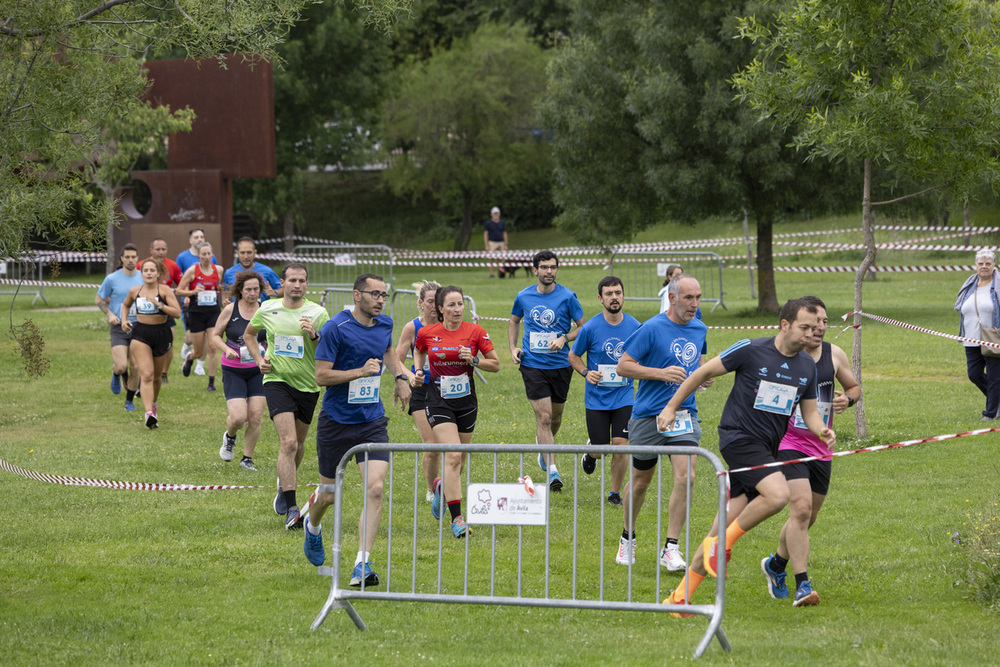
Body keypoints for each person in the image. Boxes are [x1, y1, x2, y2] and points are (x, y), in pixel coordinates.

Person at [659, 298, 834, 614]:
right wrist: (671, 406)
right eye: (805, 327)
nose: (812, 333)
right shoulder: (751, 350)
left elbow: (809, 412)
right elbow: (701, 374)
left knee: (717, 529)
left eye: (815, 327)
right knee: (778, 494)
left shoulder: (806, 365)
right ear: (785, 325)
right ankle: (723, 545)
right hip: (739, 439)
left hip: (766, 449)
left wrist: (822, 429)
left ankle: (679, 599)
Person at [303, 273, 413, 587]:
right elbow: (321, 376)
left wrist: (400, 377)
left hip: (371, 421)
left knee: (375, 489)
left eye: (383, 295)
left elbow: (389, 352)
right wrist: (359, 372)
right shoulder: (334, 329)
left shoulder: (385, 324)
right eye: (375, 294)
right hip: (336, 422)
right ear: (356, 295)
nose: (380, 299)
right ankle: (312, 527)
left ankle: (361, 564)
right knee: (328, 495)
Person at [761, 295, 860, 607]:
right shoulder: (784, 355)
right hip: (787, 443)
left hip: (821, 446)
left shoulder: (835, 355)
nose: (820, 328)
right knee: (800, 509)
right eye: (814, 323)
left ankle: (776, 564)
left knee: (808, 517)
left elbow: (854, 387)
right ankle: (803, 584)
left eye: (825, 322)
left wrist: (849, 400)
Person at [615, 274, 708, 571]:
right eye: (688, 298)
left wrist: (702, 378)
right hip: (647, 416)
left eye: (698, 298)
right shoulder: (652, 328)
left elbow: (697, 366)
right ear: (672, 298)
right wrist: (661, 373)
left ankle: (671, 547)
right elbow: (623, 366)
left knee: (687, 476)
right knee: (641, 482)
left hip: (683, 414)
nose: (694, 304)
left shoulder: (699, 328)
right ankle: (627, 537)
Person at [244, 263, 330, 530]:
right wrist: (259, 360)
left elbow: (330, 347)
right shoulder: (268, 308)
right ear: (282, 283)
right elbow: (249, 334)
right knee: (289, 442)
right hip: (277, 381)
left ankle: (284, 484)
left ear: (307, 284)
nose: (297, 284)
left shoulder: (318, 312)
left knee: (300, 443)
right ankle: (292, 506)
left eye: (302, 280)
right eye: (292, 280)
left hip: (308, 384)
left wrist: (314, 335)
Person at [413, 285, 501, 538]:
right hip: (438, 401)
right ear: (440, 309)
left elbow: (495, 364)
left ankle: (442, 488)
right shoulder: (428, 332)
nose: (457, 309)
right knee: (452, 457)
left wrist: (473, 360)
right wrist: (419, 371)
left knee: (459, 460)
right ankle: (457, 519)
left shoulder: (475, 332)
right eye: (451, 305)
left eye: (460, 304)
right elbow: (419, 350)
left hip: (466, 402)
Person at [508, 250, 586, 492]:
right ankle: (553, 470)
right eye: (544, 267)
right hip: (532, 364)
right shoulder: (524, 296)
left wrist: (564, 338)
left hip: (561, 365)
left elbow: (583, 328)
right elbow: (514, 320)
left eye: (553, 267)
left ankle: (544, 446)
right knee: (543, 418)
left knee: (555, 418)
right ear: (535, 270)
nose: (549, 271)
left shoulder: (568, 297)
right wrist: (512, 347)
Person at [568, 276, 641, 506]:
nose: (614, 297)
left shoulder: (635, 326)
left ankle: (614, 493)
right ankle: (592, 453)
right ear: (600, 298)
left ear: (623, 295)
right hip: (597, 399)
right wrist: (585, 372)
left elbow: (646, 354)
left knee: (621, 446)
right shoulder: (590, 328)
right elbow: (573, 355)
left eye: (618, 292)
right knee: (602, 451)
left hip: (624, 396)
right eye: (609, 294)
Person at [212, 270, 268, 470]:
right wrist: (227, 349)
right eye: (248, 290)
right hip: (233, 369)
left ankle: (247, 458)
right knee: (237, 417)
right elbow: (216, 335)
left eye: (256, 289)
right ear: (240, 291)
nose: (252, 293)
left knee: (255, 416)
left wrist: (267, 355)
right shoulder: (230, 310)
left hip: (258, 369)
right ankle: (230, 436)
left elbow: (271, 338)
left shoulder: (266, 310)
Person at [393, 280, 442, 502]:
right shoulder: (412, 327)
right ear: (421, 303)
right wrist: (410, 376)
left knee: (452, 447)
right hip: (421, 389)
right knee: (431, 445)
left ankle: (447, 486)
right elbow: (397, 360)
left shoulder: (450, 323)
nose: (435, 306)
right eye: (430, 302)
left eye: (438, 301)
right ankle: (432, 491)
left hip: (449, 389)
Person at [120, 259, 182, 428]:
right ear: (141, 274)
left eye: (151, 270)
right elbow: (125, 305)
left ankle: (153, 404)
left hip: (161, 333)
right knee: (146, 374)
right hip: (141, 335)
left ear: (158, 273)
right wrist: (124, 321)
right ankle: (148, 414)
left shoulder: (165, 290)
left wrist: (159, 305)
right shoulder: (135, 291)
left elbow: (177, 313)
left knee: (156, 376)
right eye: (145, 270)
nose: (148, 273)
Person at [95, 243, 143, 411]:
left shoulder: (143, 277)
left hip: (139, 326)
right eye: (127, 257)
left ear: (137, 259)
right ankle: (117, 374)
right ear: (122, 258)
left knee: (136, 367)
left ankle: (129, 402)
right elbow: (99, 299)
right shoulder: (112, 279)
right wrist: (110, 314)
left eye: (133, 257)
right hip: (119, 327)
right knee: (122, 365)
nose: (130, 260)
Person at [955, 248, 1000, 421]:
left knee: (995, 377)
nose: (984, 267)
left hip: (993, 337)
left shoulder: (998, 284)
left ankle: (990, 413)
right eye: (980, 263)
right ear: (976, 265)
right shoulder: (970, 283)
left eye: (988, 263)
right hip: (971, 337)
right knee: (974, 374)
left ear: (994, 265)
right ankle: (997, 400)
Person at [176, 242, 223, 390]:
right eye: (204, 254)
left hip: (213, 312)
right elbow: (178, 291)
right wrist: (192, 291)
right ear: (198, 256)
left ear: (212, 254)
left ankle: (211, 383)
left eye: (209, 254)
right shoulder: (192, 271)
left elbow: (221, 287)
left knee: (213, 347)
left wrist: (222, 292)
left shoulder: (219, 270)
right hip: (196, 313)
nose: (207, 257)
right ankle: (190, 358)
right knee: (199, 351)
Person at [175, 228, 218, 365]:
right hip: (190, 302)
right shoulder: (182, 257)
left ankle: (200, 365)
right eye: (196, 237)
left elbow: (214, 278)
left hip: (210, 305)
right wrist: (189, 294)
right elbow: (179, 279)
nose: (200, 239)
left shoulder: (212, 257)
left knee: (210, 341)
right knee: (190, 337)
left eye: (202, 236)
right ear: (190, 240)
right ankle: (189, 347)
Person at [147, 238, 182, 384]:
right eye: (158, 249)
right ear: (151, 251)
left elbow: (181, 285)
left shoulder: (172, 265)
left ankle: (164, 373)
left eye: (163, 249)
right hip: (147, 310)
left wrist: (185, 295)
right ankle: (148, 370)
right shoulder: (143, 265)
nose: (161, 252)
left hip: (166, 310)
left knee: (169, 343)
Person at [222, 237, 282, 303]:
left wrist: (275, 293)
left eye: (249, 252)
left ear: (255, 252)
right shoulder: (229, 272)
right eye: (242, 253)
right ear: (237, 253)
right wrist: (225, 301)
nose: (246, 257)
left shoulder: (267, 271)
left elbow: (284, 289)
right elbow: (225, 291)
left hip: (260, 312)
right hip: (238, 312)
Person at [484, 206, 508, 279]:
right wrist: (486, 245)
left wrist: (506, 244)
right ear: (492, 214)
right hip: (492, 242)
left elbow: (504, 233)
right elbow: (485, 234)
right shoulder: (488, 223)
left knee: (500, 258)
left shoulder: (501, 223)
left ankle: (500, 273)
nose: (496, 215)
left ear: (499, 214)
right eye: (494, 213)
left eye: (497, 213)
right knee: (491, 258)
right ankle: (491, 273)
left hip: (501, 242)